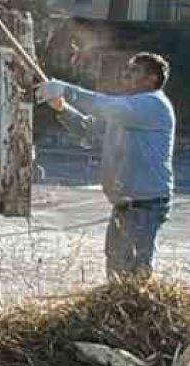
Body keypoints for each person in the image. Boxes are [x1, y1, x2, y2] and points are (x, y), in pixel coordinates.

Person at [39, 53, 176, 280]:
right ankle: (121, 309)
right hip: (126, 202)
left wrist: (66, 90)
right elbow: (87, 128)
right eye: (127, 69)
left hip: (145, 203)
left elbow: (102, 105)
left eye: (134, 71)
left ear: (151, 79)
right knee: (116, 263)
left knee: (134, 269)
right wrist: (62, 108)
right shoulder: (127, 109)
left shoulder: (152, 103)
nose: (126, 75)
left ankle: (134, 311)